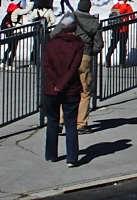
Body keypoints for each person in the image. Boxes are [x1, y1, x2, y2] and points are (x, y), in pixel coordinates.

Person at [52, 0, 102, 134]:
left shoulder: (69, 17)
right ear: (89, 8)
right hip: (84, 56)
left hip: (66, 56)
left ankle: (61, 120)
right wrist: (89, 53)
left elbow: (54, 34)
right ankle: (81, 124)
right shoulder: (93, 22)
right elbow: (99, 44)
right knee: (84, 90)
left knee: (64, 87)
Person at [42, 15, 84, 167]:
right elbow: (73, 68)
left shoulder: (52, 44)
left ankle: (51, 154)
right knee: (70, 123)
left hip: (51, 88)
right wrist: (62, 83)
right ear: (74, 28)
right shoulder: (78, 45)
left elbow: (46, 64)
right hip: (71, 89)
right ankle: (72, 157)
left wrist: (56, 82)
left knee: (52, 121)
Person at [104, 0, 134, 67]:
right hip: (123, 28)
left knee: (113, 45)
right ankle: (122, 62)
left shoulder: (114, 6)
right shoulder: (127, 6)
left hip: (115, 29)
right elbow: (132, 16)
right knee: (122, 46)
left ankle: (107, 59)